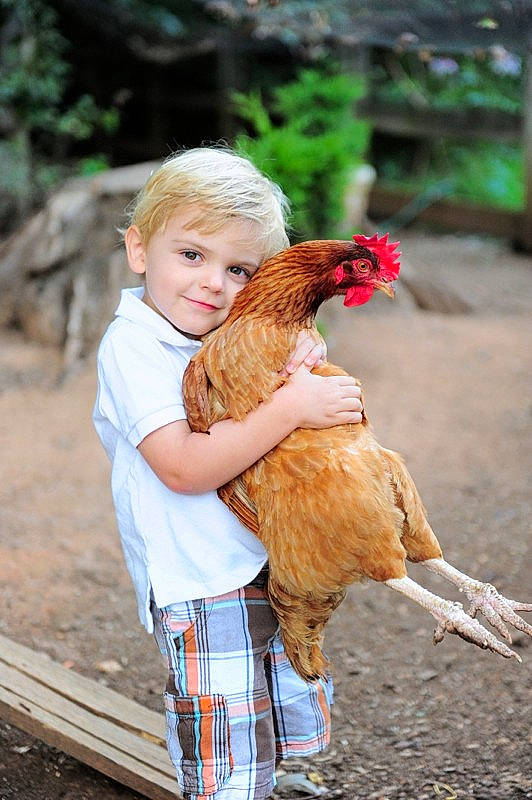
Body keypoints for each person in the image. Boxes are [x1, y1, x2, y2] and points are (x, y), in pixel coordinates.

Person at [93, 146, 363, 800]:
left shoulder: (218, 336)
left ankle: (274, 772)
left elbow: (273, 385)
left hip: (265, 559)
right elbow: (184, 467)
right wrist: (293, 403)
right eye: (192, 255)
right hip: (200, 578)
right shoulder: (134, 349)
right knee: (225, 722)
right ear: (139, 250)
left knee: (278, 682)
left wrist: (301, 358)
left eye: (239, 268)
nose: (214, 283)